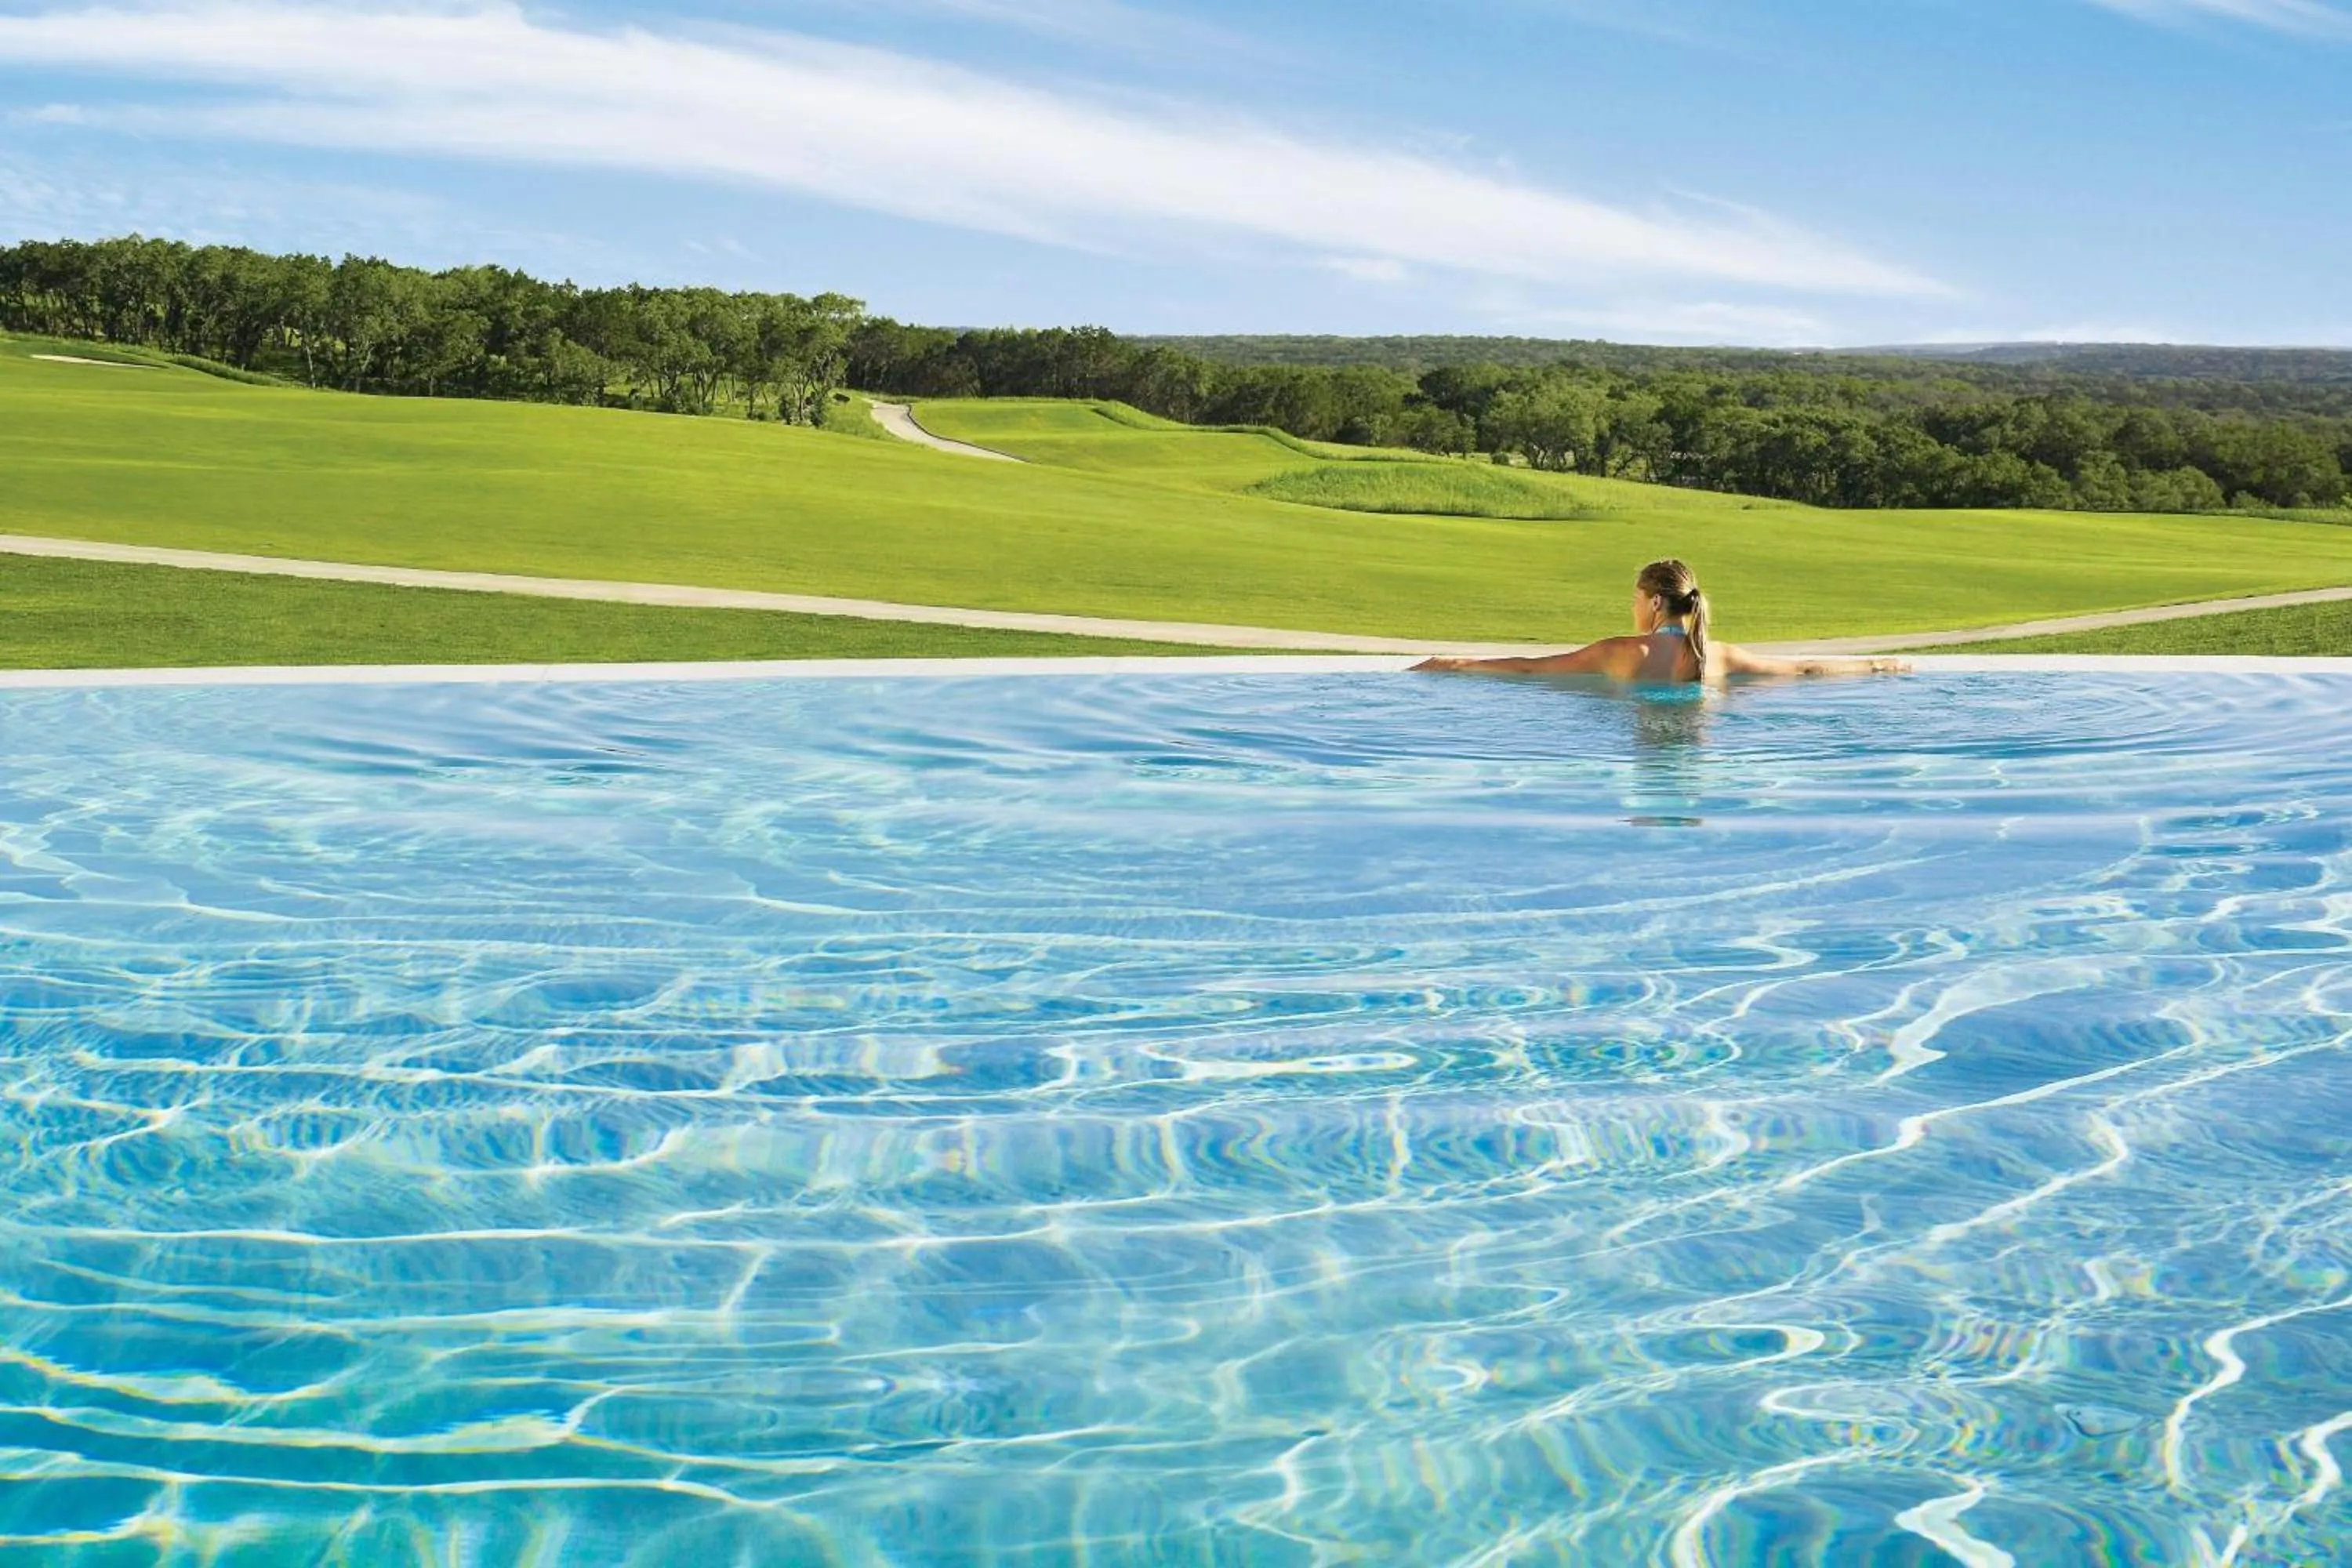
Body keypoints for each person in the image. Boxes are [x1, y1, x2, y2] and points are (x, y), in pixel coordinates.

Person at [1410, 559, 1910, 683]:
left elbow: (1531, 670)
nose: (1632, 607)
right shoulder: (1716, 657)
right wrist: (1876, 665)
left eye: (1635, 597)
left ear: (1653, 603)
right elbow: (1803, 671)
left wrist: (1456, 662)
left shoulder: (1620, 653)